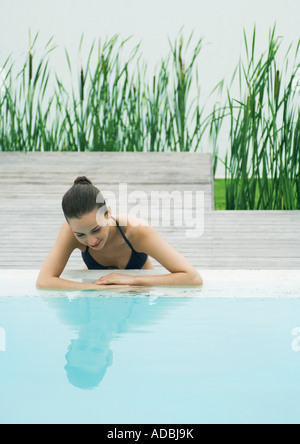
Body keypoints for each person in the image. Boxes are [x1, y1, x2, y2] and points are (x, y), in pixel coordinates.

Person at [36, 176, 203, 290]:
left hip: (139, 291)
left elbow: (193, 278)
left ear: (108, 213)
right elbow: (44, 281)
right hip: (98, 292)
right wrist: (96, 288)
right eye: (81, 235)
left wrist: (132, 280)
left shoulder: (137, 231)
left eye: (96, 229)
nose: (91, 240)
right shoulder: (70, 231)